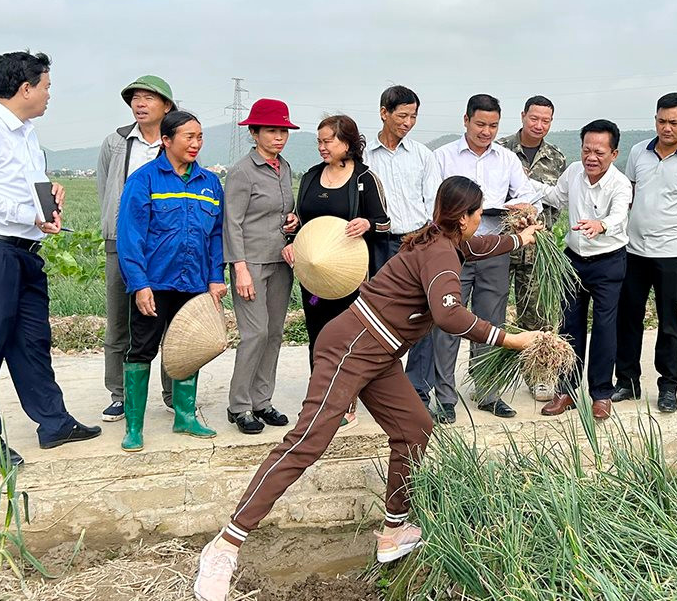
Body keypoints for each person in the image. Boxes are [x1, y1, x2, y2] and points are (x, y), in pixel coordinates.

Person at [192, 177, 545, 601]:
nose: (477, 224)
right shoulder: (439, 254)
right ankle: (225, 546)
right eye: (477, 214)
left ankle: (394, 529)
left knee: (415, 426)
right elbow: (449, 317)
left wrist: (517, 239)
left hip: (377, 353)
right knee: (305, 443)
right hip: (351, 347)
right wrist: (513, 339)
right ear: (466, 218)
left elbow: (478, 247)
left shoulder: (442, 241)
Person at [0, 51, 102, 465]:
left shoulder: (26, 132)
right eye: (47, 86)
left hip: (24, 252)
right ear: (25, 88)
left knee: (33, 342)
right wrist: (26, 213)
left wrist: (49, 198)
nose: (50, 94)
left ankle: (54, 423)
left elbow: (22, 187)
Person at [117, 110, 227, 451]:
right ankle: (134, 427)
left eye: (199, 137)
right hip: (155, 283)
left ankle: (185, 416)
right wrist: (139, 284)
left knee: (188, 349)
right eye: (188, 137)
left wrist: (214, 278)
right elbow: (129, 237)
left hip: (194, 284)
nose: (196, 144)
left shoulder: (210, 183)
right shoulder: (144, 180)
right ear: (166, 141)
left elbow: (215, 236)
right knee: (142, 350)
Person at [431, 94, 540, 421]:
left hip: (495, 248)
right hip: (454, 251)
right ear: (466, 121)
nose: (486, 131)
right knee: (449, 321)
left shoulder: (506, 159)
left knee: (490, 320)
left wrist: (512, 206)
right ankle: (445, 397)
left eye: (493, 126)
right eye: (480, 124)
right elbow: (432, 202)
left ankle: (488, 391)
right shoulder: (443, 157)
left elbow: (527, 193)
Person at [613, 92, 677, 413]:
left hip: (671, 255)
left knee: (669, 322)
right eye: (661, 121)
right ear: (654, 118)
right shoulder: (637, 153)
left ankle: (668, 386)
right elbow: (627, 195)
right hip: (634, 252)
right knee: (628, 318)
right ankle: (627, 381)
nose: (666, 128)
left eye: (673, 122)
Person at [537, 120, 632, 420]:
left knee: (605, 328)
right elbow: (555, 197)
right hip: (574, 260)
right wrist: (526, 197)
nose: (591, 157)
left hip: (608, 262)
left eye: (599, 152)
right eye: (586, 150)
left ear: (614, 154)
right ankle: (566, 390)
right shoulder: (574, 172)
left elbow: (618, 216)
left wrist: (600, 224)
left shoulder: (620, 184)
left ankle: (601, 394)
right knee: (569, 326)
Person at [96, 74, 176, 422]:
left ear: (167, 106)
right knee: (119, 323)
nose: (140, 104)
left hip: (167, 248)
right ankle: (120, 394)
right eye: (135, 98)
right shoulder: (116, 143)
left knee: (172, 322)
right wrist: (116, 229)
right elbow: (106, 189)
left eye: (148, 98)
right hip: (122, 244)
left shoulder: (176, 141)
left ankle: (175, 393)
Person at [222, 99, 301, 435]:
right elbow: (232, 223)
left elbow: (282, 212)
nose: (278, 137)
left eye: (283, 130)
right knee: (254, 334)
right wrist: (239, 268)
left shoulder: (284, 168)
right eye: (271, 130)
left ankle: (261, 401)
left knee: (274, 334)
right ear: (254, 133)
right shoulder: (242, 171)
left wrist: (293, 221)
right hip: (250, 262)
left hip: (280, 261)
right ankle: (239, 406)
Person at [363, 86, 442, 411]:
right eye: (402, 115)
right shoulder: (364, 157)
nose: (408, 122)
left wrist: (425, 237)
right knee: (378, 314)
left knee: (423, 314)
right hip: (376, 243)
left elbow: (434, 202)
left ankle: (418, 391)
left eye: (413, 116)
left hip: (417, 241)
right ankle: (379, 386)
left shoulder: (423, 155)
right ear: (384, 113)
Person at [295, 115, 391, 368]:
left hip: (351, 276)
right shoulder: (310, 177)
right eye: (319, 142)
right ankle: (319, 389)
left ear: (347, 143)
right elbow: (301, 222)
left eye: (328, 141)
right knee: (317, 331)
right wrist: (292, 233)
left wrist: (367, 224)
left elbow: (385, 223)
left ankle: (346, 397)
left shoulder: (364, 179)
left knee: (347, 334)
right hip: (315, 274)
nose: (322, 147)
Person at [497, 95, 567, 402]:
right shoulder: (499, 150)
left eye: (546, 120)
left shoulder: (556, 158)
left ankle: (539, 376)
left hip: (538, 250)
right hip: (500, 246)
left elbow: (557, 204)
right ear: (523, 115)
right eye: (534, 118)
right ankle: (491, 378)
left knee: (537, 315)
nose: (539, 125)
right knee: (492, 313)